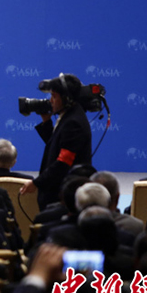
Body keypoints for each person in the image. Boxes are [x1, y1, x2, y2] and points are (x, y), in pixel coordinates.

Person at [20, 73, 92, 211]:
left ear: (67, 99)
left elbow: (63, 163)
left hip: (63, 198)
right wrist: (46, 122)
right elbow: (56, 145)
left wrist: (37, 183)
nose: (50, 100)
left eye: (54, 96)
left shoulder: (73, 123)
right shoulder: (69, 115)